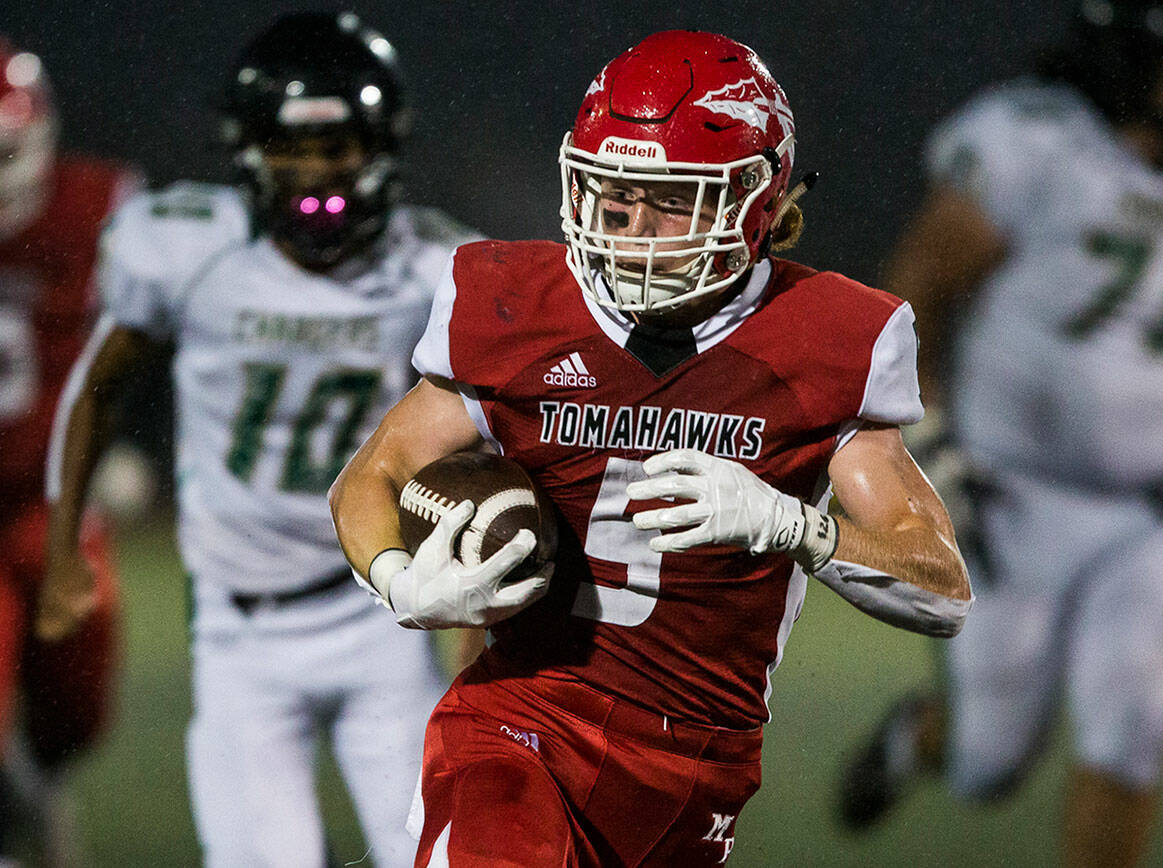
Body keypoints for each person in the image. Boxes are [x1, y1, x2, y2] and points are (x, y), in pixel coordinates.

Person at [329, 29, 972, 867]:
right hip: (523, 724)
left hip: (696, 765)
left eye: (669, 198)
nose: (631, 226)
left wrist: (795, 528)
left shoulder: (826, 337)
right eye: (612, 192)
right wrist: (398, 578)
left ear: (757, 202)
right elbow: (371, 477)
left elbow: (942, 587)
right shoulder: (518, 303)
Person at [837, 2, 1163, 866]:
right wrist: (927, 440)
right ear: (1120, 55)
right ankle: (921, 738)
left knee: (1134, 728)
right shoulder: (1031, 145)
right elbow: (912, 303)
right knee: (988, 764)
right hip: (1014, 496)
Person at [36, 13, 478, 867]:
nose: (316, 175)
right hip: (242, 635)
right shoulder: (188, 249)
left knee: (439, 857)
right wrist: (63, 550)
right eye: (291, 150)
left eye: (338, 148)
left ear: (381, 146)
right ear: (248, 150)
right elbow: (99, 383)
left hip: (386, 612)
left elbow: (508, 423)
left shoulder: (436, 269)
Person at [0, 37, 136, 865]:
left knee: (76, 707)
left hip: (52, 498)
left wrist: (134, 444)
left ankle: (37, 804)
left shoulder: (99, 208)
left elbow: (154, 336)